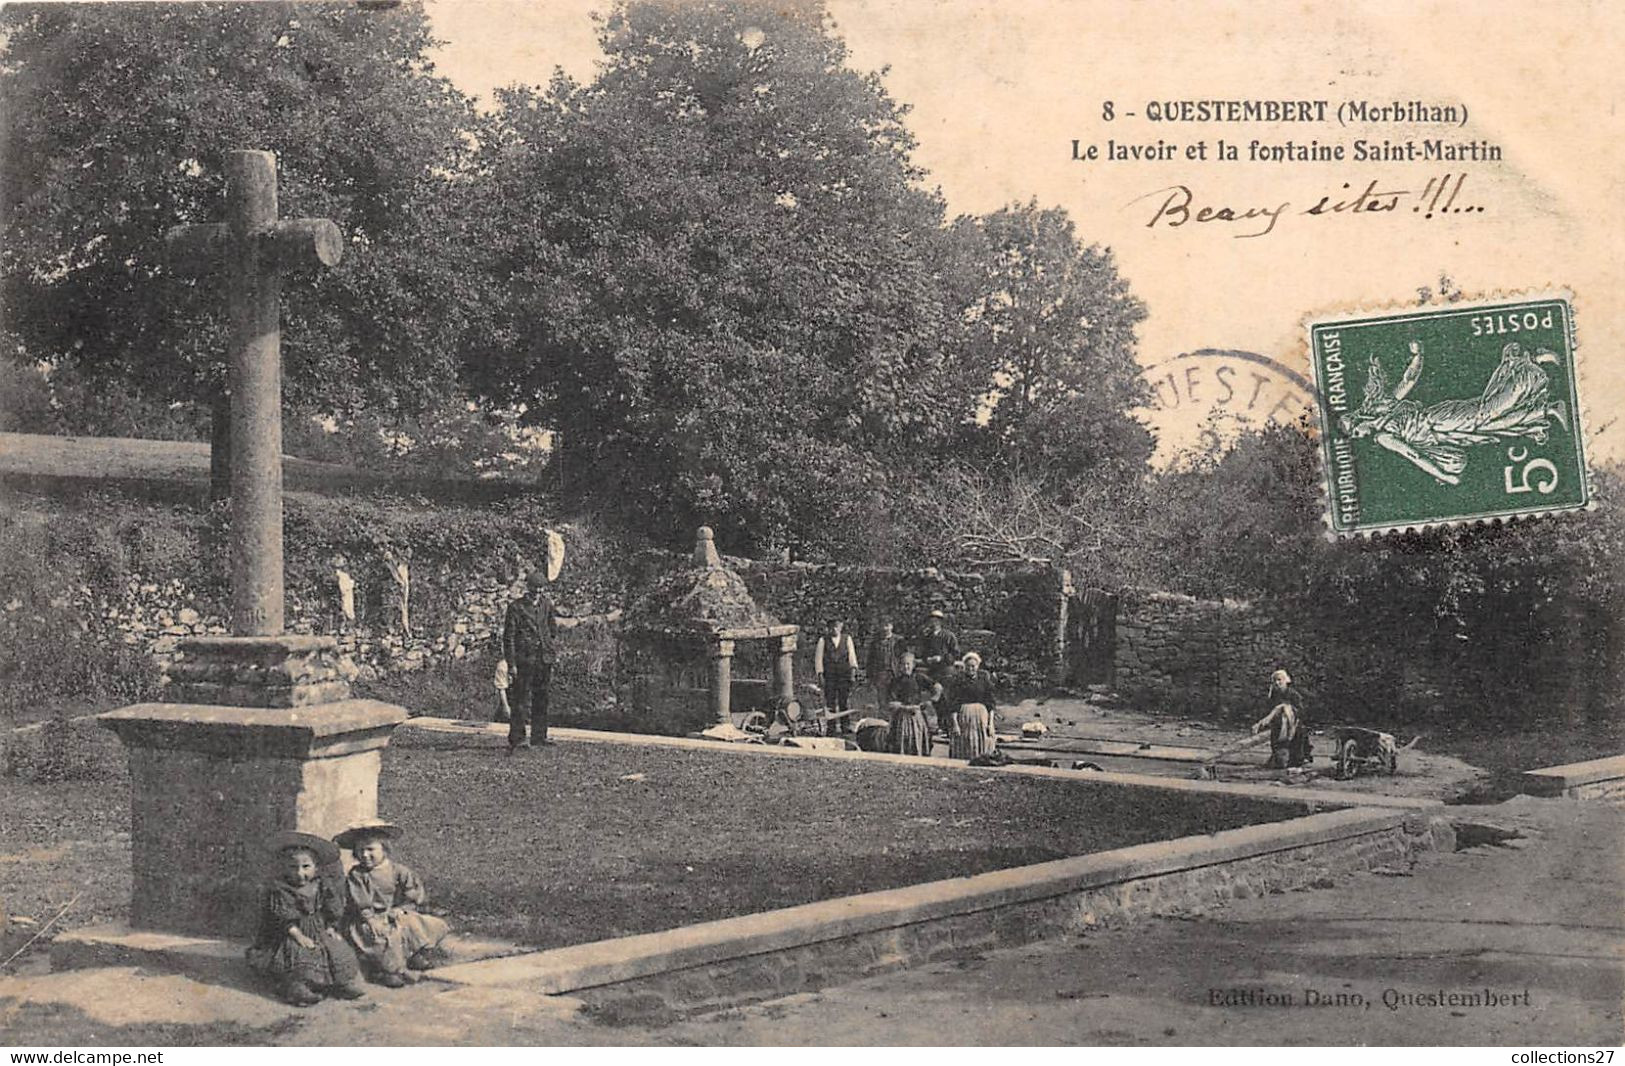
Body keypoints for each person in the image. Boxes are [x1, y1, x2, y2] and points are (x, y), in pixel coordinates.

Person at [1339, 339, 1570, 485]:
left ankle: (1530, 363)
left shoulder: (1384, 427)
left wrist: (1418, 356)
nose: (1359, 436)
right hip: (1444, 431)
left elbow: (1414, 454)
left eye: (1355, 432)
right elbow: (1417, 453)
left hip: (1439, 420)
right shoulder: (1383, 427)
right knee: (1491, 424)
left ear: (1358, 419)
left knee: (1487, 413)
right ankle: (1546, 410)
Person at [246, 832, 366, 1007]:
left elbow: (331, 909)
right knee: (300, 953)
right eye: (292, 867)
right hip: (292, 932)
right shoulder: (281, 889)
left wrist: (332, 927)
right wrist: (298, 936)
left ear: (316, 867)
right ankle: (298, 988)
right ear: (284, 868)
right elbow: (282, 918)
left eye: (306, 866)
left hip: (319, 928)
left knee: (337, 949)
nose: (299, 873)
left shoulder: (323, 885)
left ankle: (342, 983)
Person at [336, 821, 451, 988]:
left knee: (420, 924)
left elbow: (413, 894)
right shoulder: (358, 875)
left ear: (384, 848)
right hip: (367, 918)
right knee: (381, 935)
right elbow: (360, 902)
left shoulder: (399, 871)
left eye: (370, 849)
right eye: (360, 850)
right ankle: (388, 970)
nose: (365, 855)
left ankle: (412, 955)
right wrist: (371, 919)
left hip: (393, 913)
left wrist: (402, 910)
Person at [501, 571, 560, 752]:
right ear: (528, 588)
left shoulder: (546, 605)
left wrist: (548, 647)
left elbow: (552, 629)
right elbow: (508, 638)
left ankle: (539, 736)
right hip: (525, 660)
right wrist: (512, 664)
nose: (538, 591)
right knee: (521, 700)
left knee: (542, 698)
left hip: (544, 659)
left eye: (541, 588)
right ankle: (518, 739)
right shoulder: (516, 608)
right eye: (535, 587)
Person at [886, 650, 942, 757]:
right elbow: (891, 701)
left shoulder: (919, 677)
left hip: (917, 715)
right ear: (899, 666)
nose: (906, 667)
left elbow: (937, 687)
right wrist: (901, 707)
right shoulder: (895, 681)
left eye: (908, 664)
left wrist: (931, 701)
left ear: (913, 665)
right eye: (903, 664)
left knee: (920, 738)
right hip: (901, 715)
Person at [1253, 668, 1311, 768]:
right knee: (1278, 754)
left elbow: (1301, 711)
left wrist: (1285, 709)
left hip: (1293, 724)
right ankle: (1278, 758)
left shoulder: (1294, 694)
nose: (1277, 683)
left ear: (1286, 681)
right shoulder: (1274, 695)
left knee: (1297, 742)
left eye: (1280, 680)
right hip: (1278, 726)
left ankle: (1298, 759)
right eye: (1275, 680)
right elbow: (1268, 709)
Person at [945, 652, 998, 761]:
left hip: (981, 717)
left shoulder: (984, 680)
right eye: (968, 666)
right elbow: (953, 704)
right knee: (965, 741)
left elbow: (990, 704)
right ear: (964, 667)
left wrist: (991, 723)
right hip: (964, 716)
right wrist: (955, 724)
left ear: (978, 666)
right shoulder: (958, 681)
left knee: (982, 741)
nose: (971, 668)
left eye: (973, 666)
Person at [916, 610, 960, 730]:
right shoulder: (927, 637)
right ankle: (941, 725)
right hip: (933, 671)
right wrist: (928, 659)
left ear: (941, 621)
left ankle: (950, 725)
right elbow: (922, 653)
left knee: (947, 698)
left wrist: (942, 658)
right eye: (932, 620)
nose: (933, 622)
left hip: (946, 671)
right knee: (937, 699)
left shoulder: (948, 636)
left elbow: (955, 653)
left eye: (936, 620)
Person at [814, 618, 858, 733]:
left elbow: (852, 657)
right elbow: (818, 659)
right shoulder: (823, 640)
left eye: (837, 626)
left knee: (844, 700)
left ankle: (845, 725)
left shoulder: (847, 639)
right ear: (828, 628)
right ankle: (831, 727)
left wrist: (853, 672)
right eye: (832, 626)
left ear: (841, 626)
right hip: (830, 675)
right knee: (830, 701)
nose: (835, 629)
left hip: (844, 675)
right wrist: (820, 674)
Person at [864, 619, 902, 712]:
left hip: (896, 674)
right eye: (883, 625)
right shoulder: (875, 643)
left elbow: (904, 657)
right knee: (883, 700)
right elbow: (870, 661)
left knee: (896, 699)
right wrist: (869, 677)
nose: (885, 628)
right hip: (881, 674)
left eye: (887, 625)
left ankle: (897, 723)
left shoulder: (899, 641)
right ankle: (884, 722)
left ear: (891, 626)